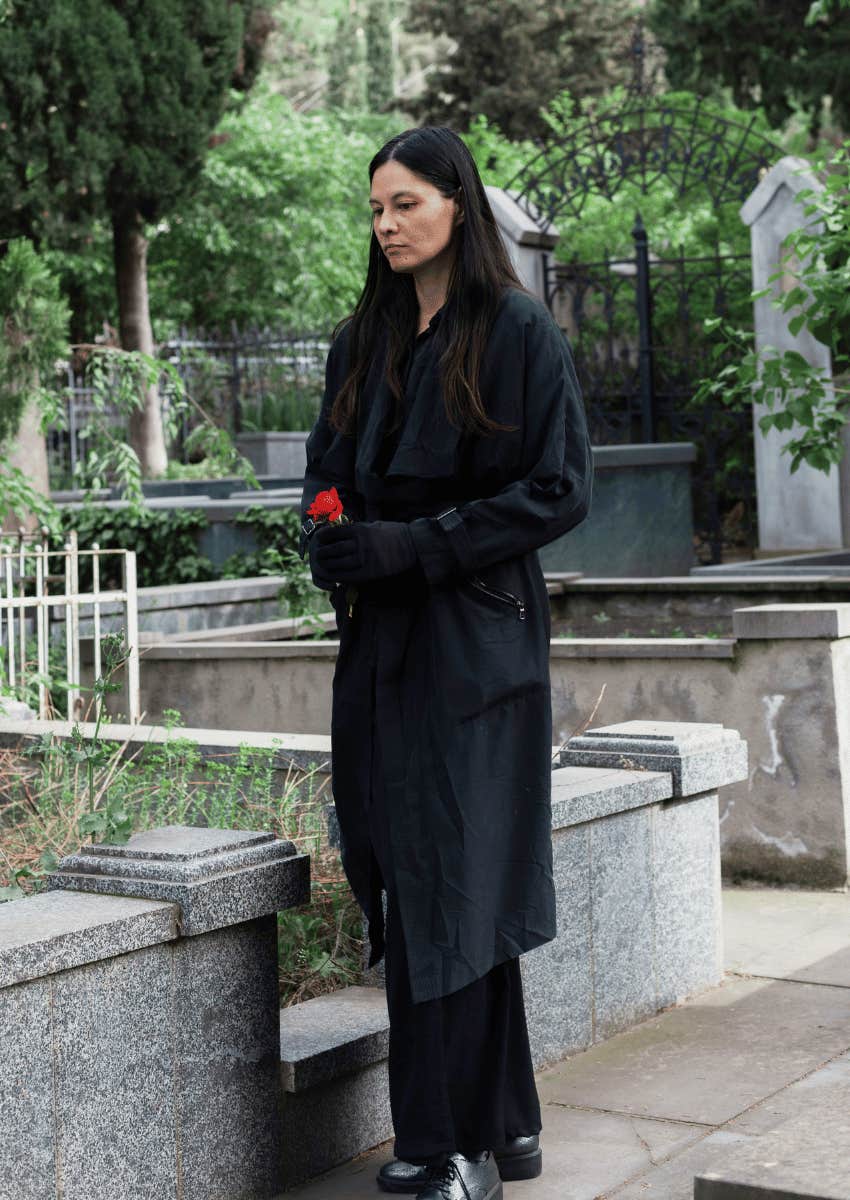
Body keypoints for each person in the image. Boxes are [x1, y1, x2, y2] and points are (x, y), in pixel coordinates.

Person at [299, 125, 593, 1200]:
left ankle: (443, 1145)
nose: (385, 226)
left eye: (405, 204)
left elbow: (559, 489)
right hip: (378, 644)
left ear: (457, 206)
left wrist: (416, 545)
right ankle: (508, 1123)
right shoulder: (360, 341)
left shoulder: (515, 331)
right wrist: (328, 531)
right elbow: (326, 470)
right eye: (374, 209)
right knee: (404, 866)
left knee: (449, 884)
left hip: (474, 651)